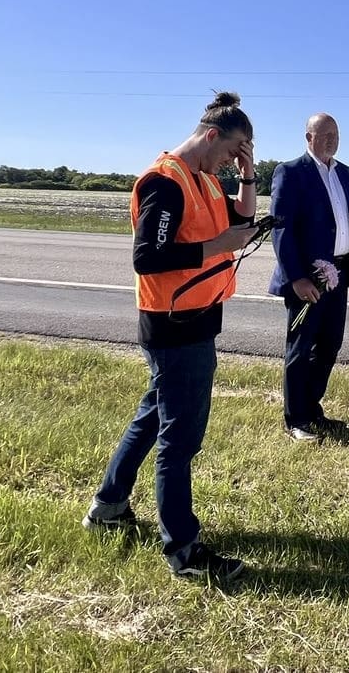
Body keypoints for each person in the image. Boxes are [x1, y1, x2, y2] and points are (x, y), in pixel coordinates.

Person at [83, 91, 260, 581]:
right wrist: (217, 246)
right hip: (175, 323)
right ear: (210, 136)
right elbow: (148, 258)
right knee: (179, 440)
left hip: (196, 317)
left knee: (152, 416)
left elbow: (241, 219)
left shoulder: (202, 180)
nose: (232, 161)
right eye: (232, 150)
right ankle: (183, 550)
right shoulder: (166, 183)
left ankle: (108, 505)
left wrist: (247, 174)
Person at [268, 112, 349, 441]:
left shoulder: (343, 173)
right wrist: (297, 277)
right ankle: (295, 420)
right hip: (308, 279)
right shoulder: (290, 172)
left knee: (330, 345)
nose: (331, 139)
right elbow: (282, 230)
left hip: (340, 275)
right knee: (301, 348)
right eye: (324, 133)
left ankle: (312, 409)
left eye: (335, 133)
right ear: (308, 138)